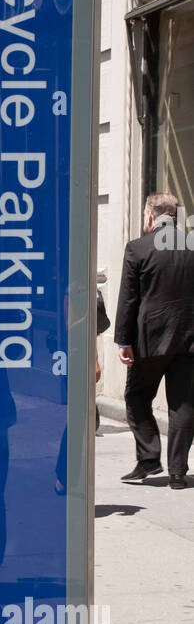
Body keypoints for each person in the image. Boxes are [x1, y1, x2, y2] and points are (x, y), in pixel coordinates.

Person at [114, 191, 194, 489]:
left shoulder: (138, 248)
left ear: (150, 216)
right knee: (183, 404)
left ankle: (149, 458)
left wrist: (123, 340)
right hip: (188, 340)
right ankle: (177, 473)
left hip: (149, 340)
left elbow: (128, 299)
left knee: (136, 396)